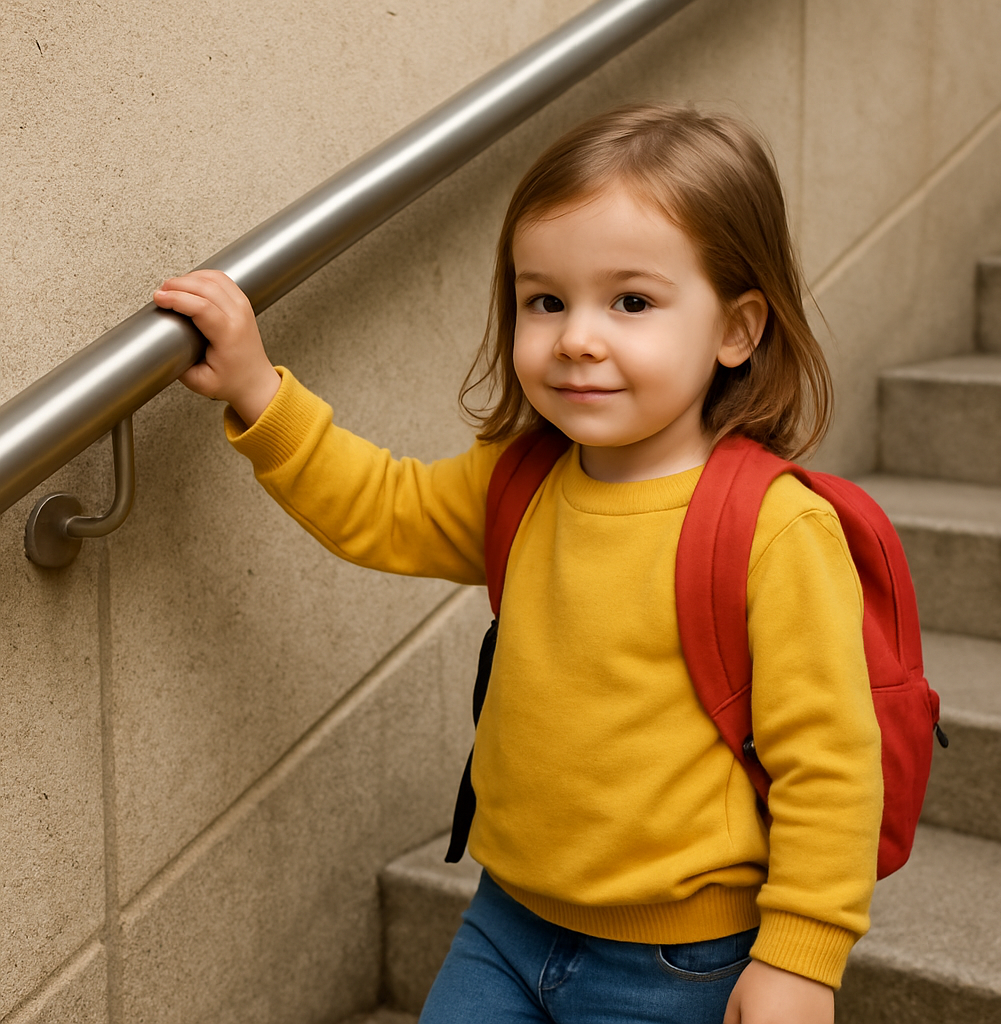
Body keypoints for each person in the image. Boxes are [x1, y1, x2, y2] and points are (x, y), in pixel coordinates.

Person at [154, 104, 882, 1024]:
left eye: (631, 302)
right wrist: (260, 391)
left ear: (737, 329)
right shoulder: (522, 479)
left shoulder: (773, 528)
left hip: (679, 964)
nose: (576, 337)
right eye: (546, 301)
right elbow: (383, 509)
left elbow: (829, 764)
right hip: (504, 925)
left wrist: (801, 960)